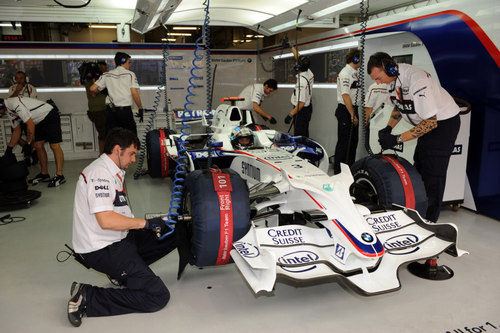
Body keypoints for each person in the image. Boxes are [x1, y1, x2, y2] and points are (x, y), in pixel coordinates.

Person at [68, 128, 176, 327]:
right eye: (131, 154)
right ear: (117, 150)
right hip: (103, 248)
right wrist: (146, 224)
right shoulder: (99, 173)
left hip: (121, 238)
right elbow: (106, 220)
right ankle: (87, 297)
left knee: (172, 230)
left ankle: (121, 274)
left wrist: (158, 223)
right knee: (157, 295)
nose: (134, 159)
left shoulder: (114, 171)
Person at [367, 52, 460, 223]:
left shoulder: (417, 81)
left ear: (390, 68)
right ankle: (419, 210)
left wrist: (397, 139)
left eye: (379, 77)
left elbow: (430, 123)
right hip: (426, 124)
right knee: (420, 164)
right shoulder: (393, 81)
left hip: (443, 124)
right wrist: (388, 127)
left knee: (433, 173)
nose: (378, 82)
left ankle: (430, 221)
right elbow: (399, 106)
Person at [0, 96, 66, 187]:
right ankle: (44, 174)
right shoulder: (8, 111)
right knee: (38, 145)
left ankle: (60, 175)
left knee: (54, 145)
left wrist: (28, 143)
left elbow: (29, 124)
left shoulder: (14, 104)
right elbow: (17, 130)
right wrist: (9, 149)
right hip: (38, 121)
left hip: (49, 114)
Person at [90, 52, 144, 135]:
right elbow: (134, 93)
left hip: (111, 112)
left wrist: (99, 91)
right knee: (130, 138)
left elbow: (92, 88)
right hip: (125, 112)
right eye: (129, 62)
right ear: (123, 61)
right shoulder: (130, 74)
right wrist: (140, 108)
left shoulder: (106, 74)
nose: (129, 65)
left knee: (113, 138)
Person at [333, 48, 361, 174]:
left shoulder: (355, 72)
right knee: (344, 143)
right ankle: (339, 172)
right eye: (360, 58)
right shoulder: (345, 73)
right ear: (355, 59)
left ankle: (350, 169)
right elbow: (345, 95)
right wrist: (352, 114)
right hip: (346, 110)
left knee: (353, 142)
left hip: (353, 109)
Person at [8, 71, 38, 165]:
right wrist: (17, 91)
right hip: (17, 117)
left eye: (21, 78)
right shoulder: (12, 88)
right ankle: (31, 151)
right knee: (16, 137)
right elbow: (10, 101)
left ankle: (27, 157)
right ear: (15, 79)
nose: (19, 80)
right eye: (17, 78)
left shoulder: (31, 88)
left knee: (31, 136)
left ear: (25, 78)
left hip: (29, 117)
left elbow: (33, 102)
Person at [284, 46, 314, 137]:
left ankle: (302, 151)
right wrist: (291, 47)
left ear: (298, 66)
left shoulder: (302, 82)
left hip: (301, 111)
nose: (295, 63)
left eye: (296, 63)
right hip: (307, 109)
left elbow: (301, 103)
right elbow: (300, 58)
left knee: (299, 135)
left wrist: (290, 115)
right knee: (304, 133)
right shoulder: (309, 72)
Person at [84, 61, 108, 154]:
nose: (103, 71)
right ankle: (102, 155)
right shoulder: (89, 81)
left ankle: (105, 154)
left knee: (106, 134)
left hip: (104, 110)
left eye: (105, 68)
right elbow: (93, 93)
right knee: (102, 135)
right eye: (101, 69)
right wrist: (95, 79)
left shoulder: (103, 80)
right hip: (98, 111)